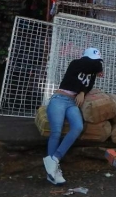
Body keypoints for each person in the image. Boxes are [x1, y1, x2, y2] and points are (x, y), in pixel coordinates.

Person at [43, 47, 104, 185]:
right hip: (59, 98)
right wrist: (98, 66)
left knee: (77, 127)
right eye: (92, 60)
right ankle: (52, 172)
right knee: (56, 132)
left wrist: (82, 92)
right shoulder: (76, 63)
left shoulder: (92, 72)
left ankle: (55, 160)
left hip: (72, 102)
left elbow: (87, 86)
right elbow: (95, 65)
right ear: (85, 58)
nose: (95, 64)